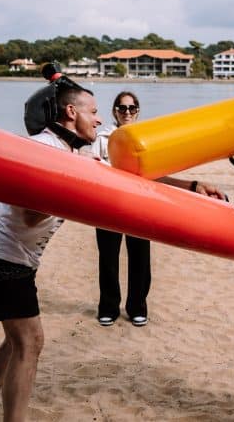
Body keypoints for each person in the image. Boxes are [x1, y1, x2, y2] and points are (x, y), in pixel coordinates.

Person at [0, 82, 224, 421]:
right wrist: (80, 194)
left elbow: (128, 178)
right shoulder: (43, 149)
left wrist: (192, 187)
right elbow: (30, 216)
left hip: (12, 255)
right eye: (93, 112)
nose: (100, 120)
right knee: (30, 343)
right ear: (71, 113)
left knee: (17, 344)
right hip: (0, 255)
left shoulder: (74, 151)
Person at [91, 91, 151, 327]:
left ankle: (137, 307)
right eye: (122, 108)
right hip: (107, 204)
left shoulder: (146, 137)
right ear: (115, 110)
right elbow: (93, 168)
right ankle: (108, 307)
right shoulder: (102, 137)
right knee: (108, 258)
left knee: (140, 258)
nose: (127, 112)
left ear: (138, 111)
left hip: (139, 204)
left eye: (132, 108)